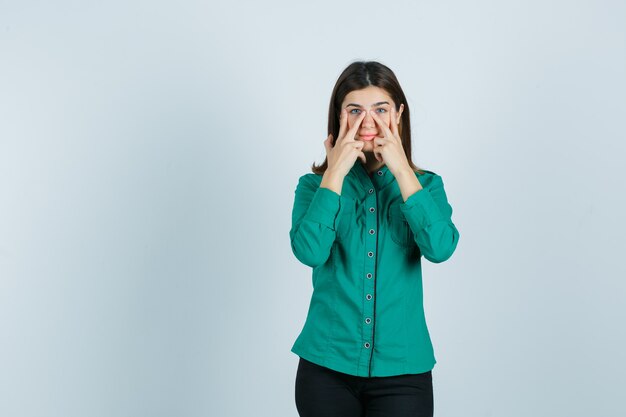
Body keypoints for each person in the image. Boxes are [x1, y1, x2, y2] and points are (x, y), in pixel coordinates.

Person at [289, 60, 460, 417]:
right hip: (326, 367)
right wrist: (334, 172)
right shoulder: (313, 187)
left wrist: (401, 169)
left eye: (380, 109)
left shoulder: (426, 186)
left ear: (399, 114)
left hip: (403, 371)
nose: (368, 122)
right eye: (355, 110)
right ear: (339, 117)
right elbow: (309, 251)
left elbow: (441, 248)